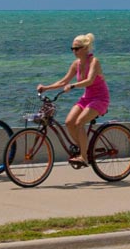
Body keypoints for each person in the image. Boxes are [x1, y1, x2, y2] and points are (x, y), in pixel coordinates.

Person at [38, 33, 109, 165]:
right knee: (69, 122)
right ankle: (85, 149)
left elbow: (89, 81)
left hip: (100, 98)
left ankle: (84, 156)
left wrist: (73, 85)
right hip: (87, 98)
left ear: (85, 48)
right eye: (72, 49)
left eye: (76, 49)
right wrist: (46, 88)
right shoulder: (76, 64)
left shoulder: (94, 62)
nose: (74, 51)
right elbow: (63, 81)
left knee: (80, 123)